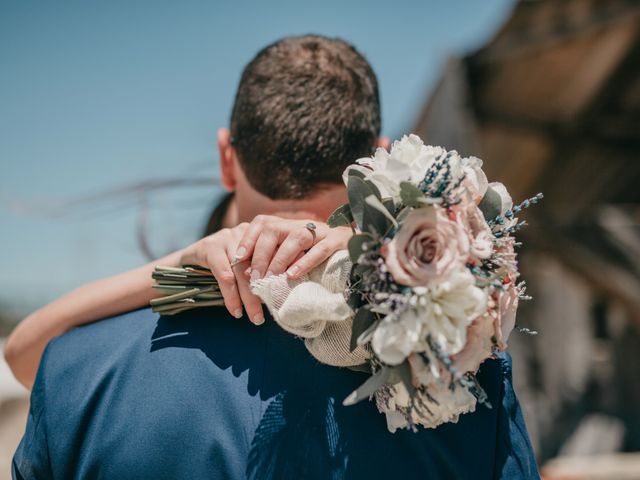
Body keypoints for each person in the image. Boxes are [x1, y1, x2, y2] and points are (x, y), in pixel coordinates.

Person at [10, 35, 539, 479]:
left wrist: (185, 263)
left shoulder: (80, 369)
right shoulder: (461, 374)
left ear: (226, 157)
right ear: (372, 161)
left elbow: (25, 353)